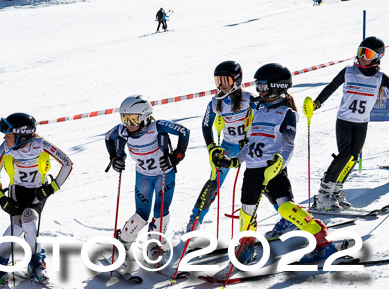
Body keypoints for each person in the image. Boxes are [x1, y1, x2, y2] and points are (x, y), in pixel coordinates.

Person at [211, 64, 339, 266]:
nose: (258, 90)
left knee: (286, 208)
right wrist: (234, 160)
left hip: (272, 169)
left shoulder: (286, 113)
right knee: (246, 213)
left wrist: (278, 164)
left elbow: (288, 145)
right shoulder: (259, 111)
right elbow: (251, 143)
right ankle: (246, 247)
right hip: (253, 170)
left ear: (277, 86)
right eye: (257, 86)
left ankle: (322, 241)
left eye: (262, 86)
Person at [311, 36, 389, 212]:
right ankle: (323, 195)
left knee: (352, 159)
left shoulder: (379, 77)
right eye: (360, 52)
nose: (362, 56)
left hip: (361, 123)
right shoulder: (348, 71)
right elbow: (331, 87)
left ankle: (335, 192)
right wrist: (316, 103)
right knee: (344, 155)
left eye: (367, 53)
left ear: (377, 57)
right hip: (345, 121)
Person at [0, 113, 73, 285]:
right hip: (16, 191)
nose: (5, 138)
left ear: (21, 135)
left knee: (29, 220)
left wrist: (52, 187)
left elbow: (67, 163)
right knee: (18, 224)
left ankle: (35, 262)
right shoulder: (5, 147)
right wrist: (0, 197)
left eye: (9, 134)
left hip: (38, 192)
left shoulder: (40, 145)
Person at [105, 95, 189, 262]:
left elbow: (184, 131)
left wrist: (176, 156)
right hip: (143, 175)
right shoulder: (122, 130)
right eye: (125, 118)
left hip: (164, 174)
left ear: (144, 117)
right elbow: (108, 137)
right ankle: (123, 242)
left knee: (161, 212)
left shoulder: (157, 126)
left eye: (134, 119)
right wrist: (114, 157)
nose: (129, 124)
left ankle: (154, 246)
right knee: (141, 215)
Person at [187, 61, 259, 233]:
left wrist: (250, 139)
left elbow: (263, 119)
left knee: (261, 182)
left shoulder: (249, 98)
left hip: (249, 146)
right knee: (213, 183)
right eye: (218, 81)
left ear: (237, 80)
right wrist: (212, 148)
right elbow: (206, 126)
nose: (221, 85)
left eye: (225, 81)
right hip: (228, 146)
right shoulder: (215, 102)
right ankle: (195, 221)